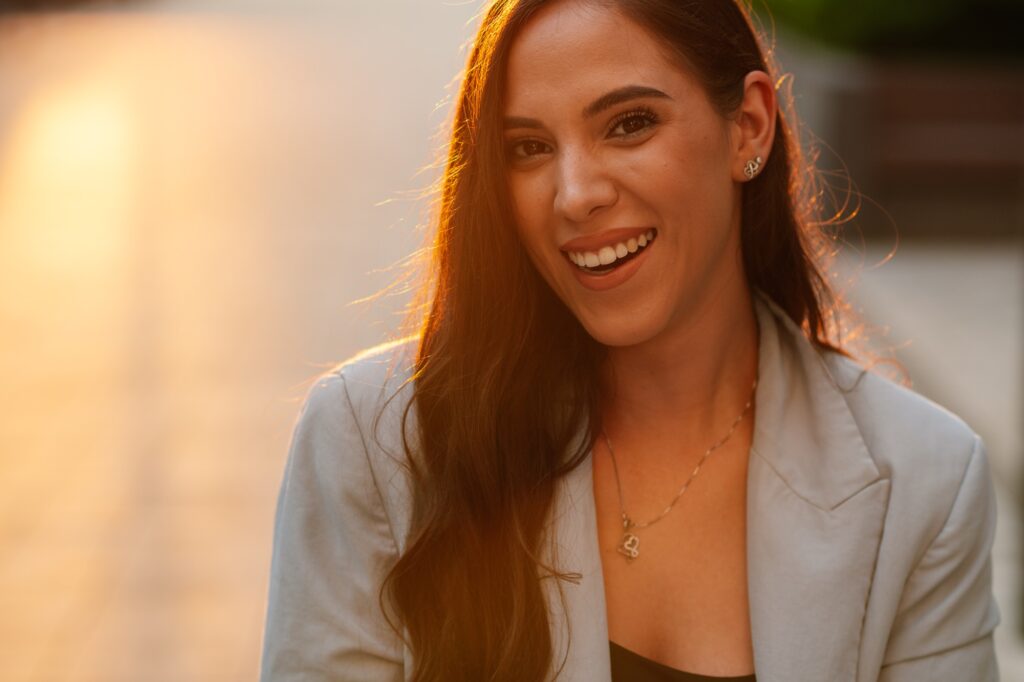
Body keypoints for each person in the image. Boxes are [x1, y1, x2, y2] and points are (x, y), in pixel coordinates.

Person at [258, 0, 1001, 680]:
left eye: (629, 123)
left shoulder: (923, 482)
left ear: (749, 126)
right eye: (528, 148)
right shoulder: (372, 440)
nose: (576, 193)